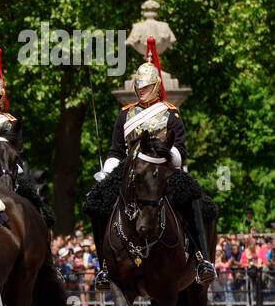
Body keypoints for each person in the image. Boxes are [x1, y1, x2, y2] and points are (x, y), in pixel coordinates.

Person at [90, 36, 215, 290]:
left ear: (156, 86)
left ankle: (202, 260)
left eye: (146, 86)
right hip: (130, 173)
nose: (141, 90)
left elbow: (180, 150)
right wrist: (107, 171)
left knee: (193, 198)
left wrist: (164, 158)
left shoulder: (170, 112)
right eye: (139, 86)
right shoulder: (125, 114)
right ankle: (104, 266)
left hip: (162, 170)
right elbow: (116, 150)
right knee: (95, 201)